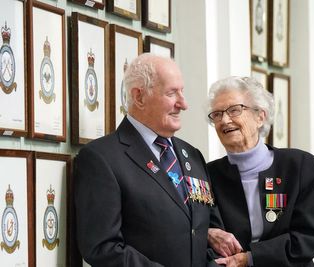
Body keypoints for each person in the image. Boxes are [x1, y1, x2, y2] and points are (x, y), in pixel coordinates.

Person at [74, 53, 219, 267]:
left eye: (182, 92)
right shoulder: (101, 158)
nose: (183, 104)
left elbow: (207, 233)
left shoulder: (193, 155)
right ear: (139, 97)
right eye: (172, 93)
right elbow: (102, 247)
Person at [206, 76, 314, 267]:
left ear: (260, 116)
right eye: (217, 114)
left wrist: (250, 259)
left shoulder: (298, 166)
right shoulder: (208, 175)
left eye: (234, 110)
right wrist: (208, 233)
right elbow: (199, 231)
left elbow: (309, 237)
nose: (225, 120)